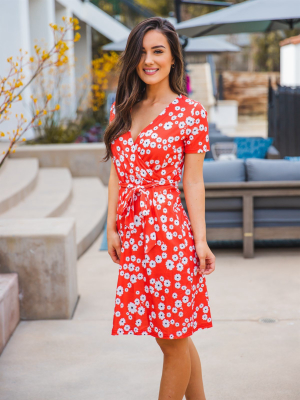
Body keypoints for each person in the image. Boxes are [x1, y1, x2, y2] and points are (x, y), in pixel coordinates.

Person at [103, 16, 216, 400]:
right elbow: (119, 173)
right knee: (173, 336)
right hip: (134, 233)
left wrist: (200, 240)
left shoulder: (190, 112)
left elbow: (194, 181)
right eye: (142, 51)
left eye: (158, 51)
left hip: (168, 233)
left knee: (172, 338)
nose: (149, 60)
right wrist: (112, 228)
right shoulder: (123, 106)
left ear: (172, 57)